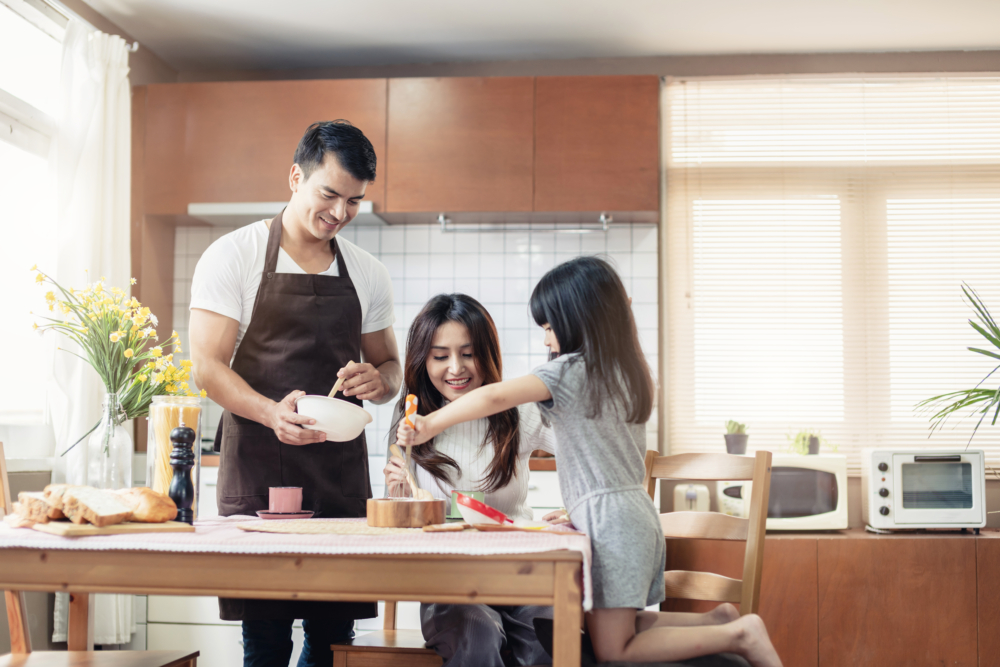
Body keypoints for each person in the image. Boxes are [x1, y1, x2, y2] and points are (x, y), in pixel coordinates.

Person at [397, 257, 783, 667]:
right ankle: (719, 619)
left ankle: (739, 632)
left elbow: (495, 397)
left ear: (573, 319)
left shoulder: (567, 372)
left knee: (613, 648)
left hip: (611, 524)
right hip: (633, 516)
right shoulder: (623, 372)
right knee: (606, 627)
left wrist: (430, 423)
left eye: (548, 327)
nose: (546, 341)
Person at [189, 120, 402, 667]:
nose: (339, 213)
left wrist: (380, 381)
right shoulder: (232, 255)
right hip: (260, 468)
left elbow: (392, 368)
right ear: (294, 177)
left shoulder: (368, 272)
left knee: (334, 643)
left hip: (338, 474)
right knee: (265, 641)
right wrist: (268, 412)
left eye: (354, 201)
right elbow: (207, 368)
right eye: (328, 194)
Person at [383, 293, 556, 667]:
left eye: (468, 353)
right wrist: (398, 497)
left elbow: (588, 451)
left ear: (487, 353)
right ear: (422, 359)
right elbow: (395, 531)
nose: (456, 368)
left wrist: (576, 505)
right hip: (447, 582)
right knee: (478, 630)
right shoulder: (411, 419)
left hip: (520, 574)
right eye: (440, 356)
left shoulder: (518, 412)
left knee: (553, 633)